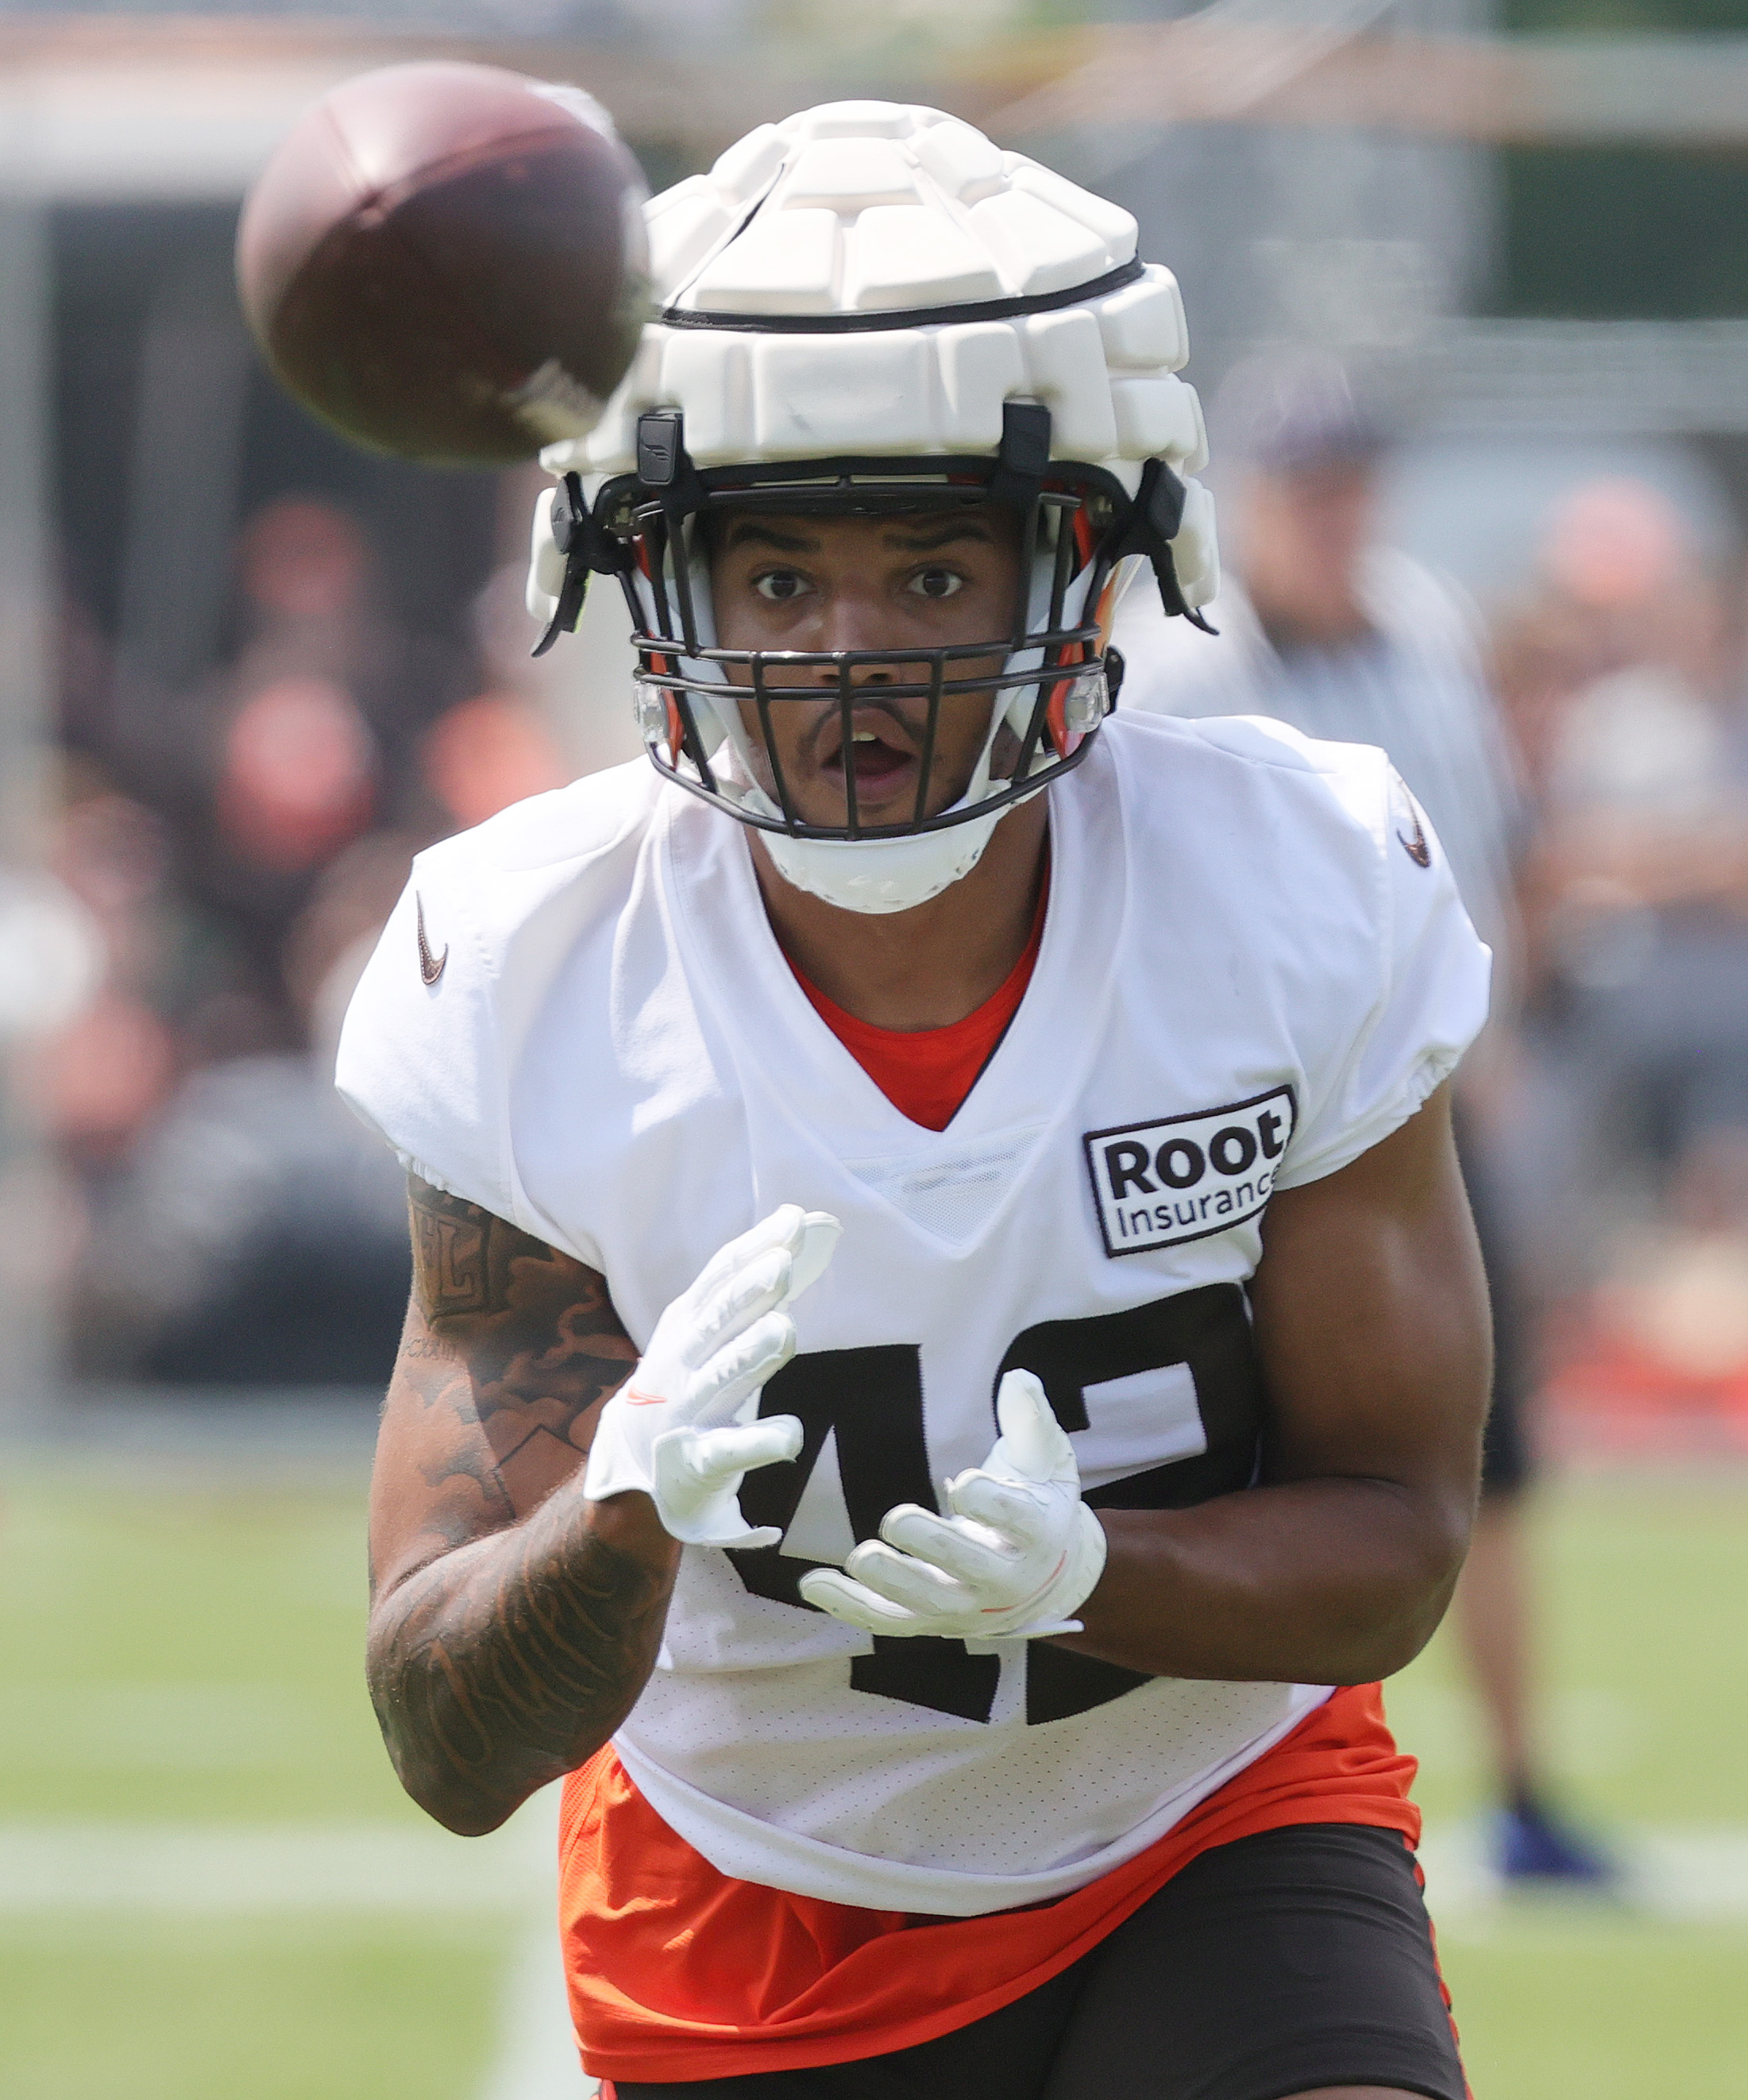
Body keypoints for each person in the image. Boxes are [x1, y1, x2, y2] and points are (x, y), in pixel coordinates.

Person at [339, 106, 1491, 2099]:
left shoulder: (1299, 886)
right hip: (755, 1890)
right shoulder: (525, 960)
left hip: (1207, 1811)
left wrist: (1098, 1572)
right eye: (775, 575)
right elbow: (447, 1738)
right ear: (644, 571)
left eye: (936, 566)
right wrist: (614, 1512)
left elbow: (1400, 1536)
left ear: (1093, 559)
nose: (849, 657)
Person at [1113, 355, 1613, 1885]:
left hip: (1417, 1101)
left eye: (1351, 485)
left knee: (1475, 1457)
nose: (1333, 515)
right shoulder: (1183, 658)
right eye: (1309, 486)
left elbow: (1484, 843)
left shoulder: (1422, 629)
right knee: (1226, 1454)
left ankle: (1518, 1786)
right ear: (1256, 497)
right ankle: (1199, 1791)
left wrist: (1506, 1018)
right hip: (1225, 1120)